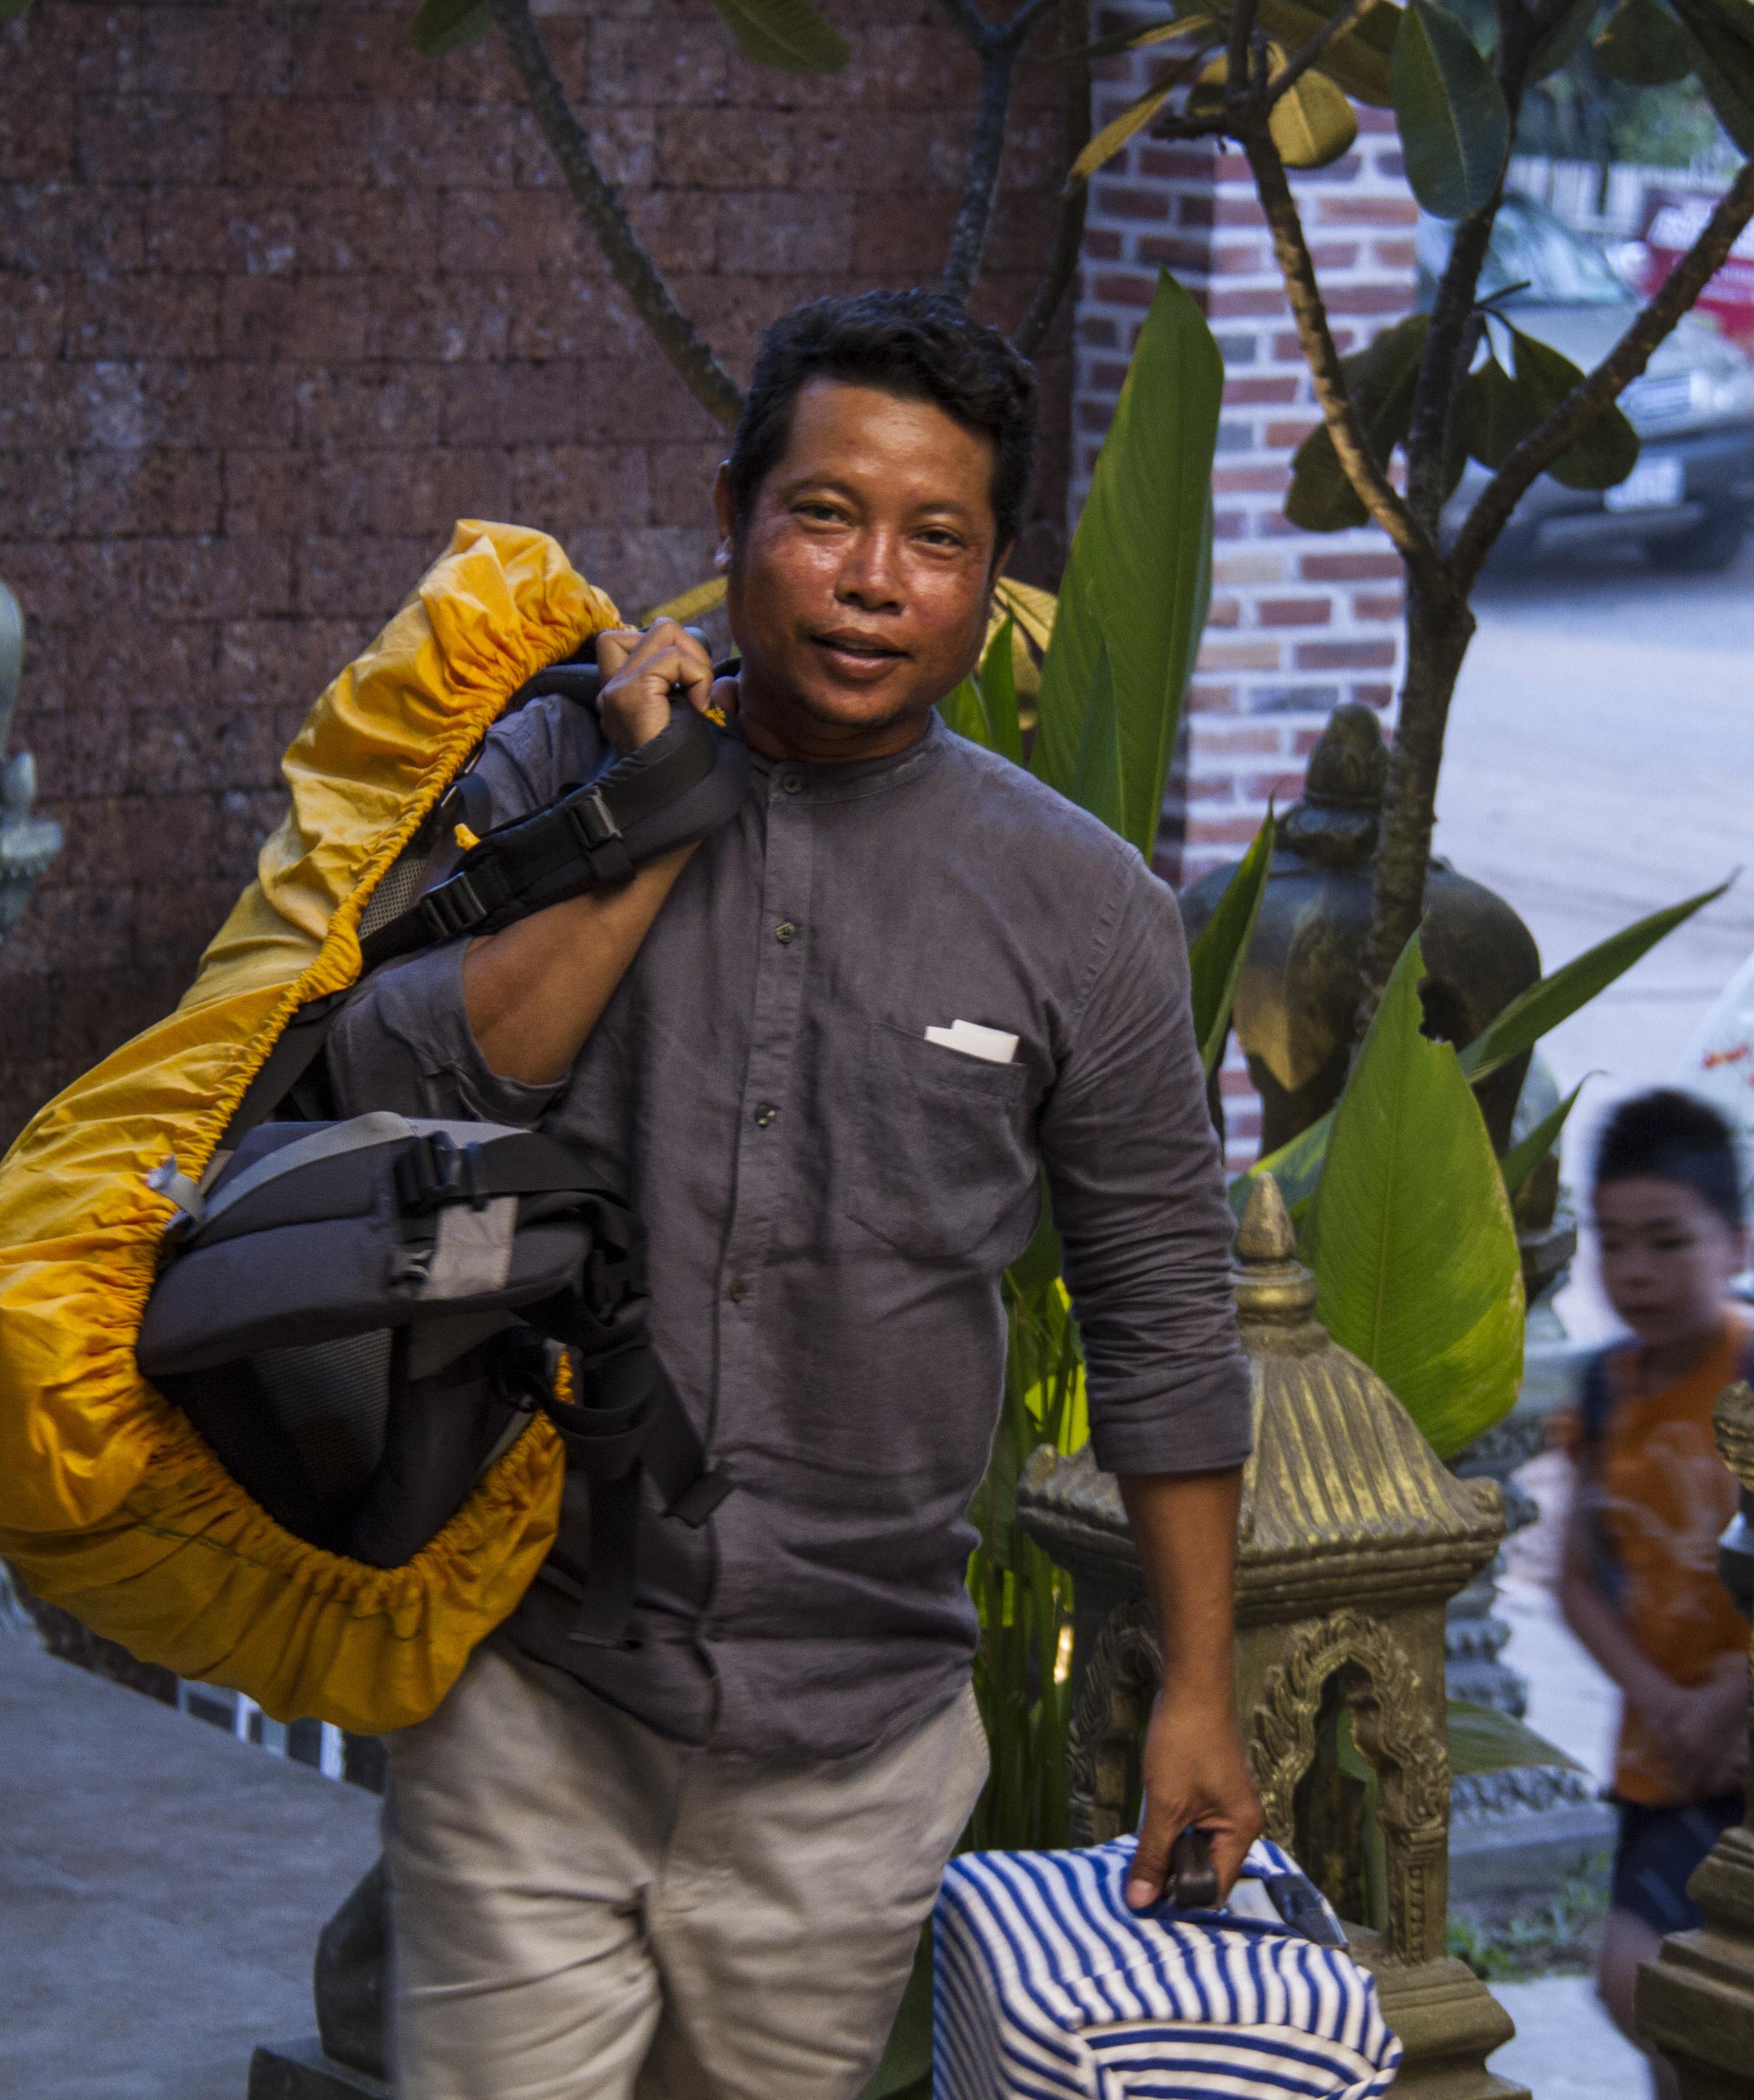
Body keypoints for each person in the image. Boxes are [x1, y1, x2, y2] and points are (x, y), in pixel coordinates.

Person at [319, 290, 1266, 2099]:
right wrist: (653, 811)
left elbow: (1164, 1312)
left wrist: (1199, 1693)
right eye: (825, 514)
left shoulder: (1087, 912)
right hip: (529, 1687)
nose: (873, 581)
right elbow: (407, 1089)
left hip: (858, 1755)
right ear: (734, 516)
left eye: (937, 538)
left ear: (993, 578)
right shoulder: (553, 770)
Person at [1553, 1089, 1754, 2100]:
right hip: (1665, 1760)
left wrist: (1732, 1698)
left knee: (1743, 2002)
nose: (1635, 1270)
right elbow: (1575, 1581)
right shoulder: (1605, 1393)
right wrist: (1665, 1702)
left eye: (1668, 1241)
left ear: (1740, 1246)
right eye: (1614, 1241)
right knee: (1641, 1983)